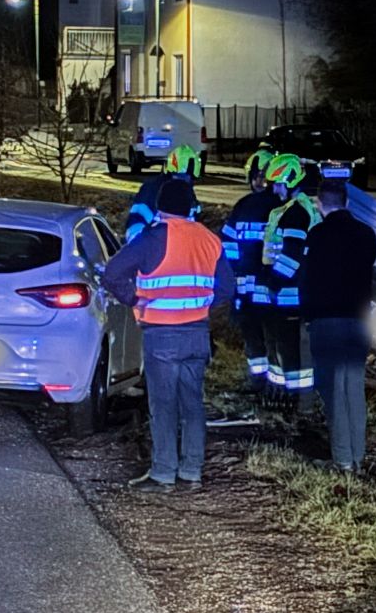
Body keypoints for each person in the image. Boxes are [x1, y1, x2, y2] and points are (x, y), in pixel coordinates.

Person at [103, 177, 234, 490]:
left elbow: (112, 273)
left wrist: (134, 298)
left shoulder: (151, 238)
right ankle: (192, 470)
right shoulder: (209, 239)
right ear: (190, 206)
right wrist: (201, 304)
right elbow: (227, 287)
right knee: (193, 404)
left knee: (163, 405)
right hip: (197, 332)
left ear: (160, 207)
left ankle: (163, 472)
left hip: (162, 333)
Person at [300, 178, 376, 473]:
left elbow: (305, 279)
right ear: (346, 202)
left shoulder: (317, 236)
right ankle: (358, 457)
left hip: (326, 323)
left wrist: (307, 315)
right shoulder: (366, 234)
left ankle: (342, 459)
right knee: (354, 391)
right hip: (358, 323)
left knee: (333, 393)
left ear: (319, 204)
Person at [259, 152, 321, 413]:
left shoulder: (295, 213)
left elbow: (291, 255)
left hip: (289, 295)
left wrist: (272, 283)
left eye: (277, 183)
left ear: (289, 181)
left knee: (291, 351)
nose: (274, 188)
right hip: (293, 293)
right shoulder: (296, 209)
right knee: (289, 350)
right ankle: (291, 400)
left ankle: (300, 403)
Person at [220, 149, 281, 391]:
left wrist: (234, 275)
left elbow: (226, 246)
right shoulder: (284, 206)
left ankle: (259, 381)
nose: (258, 181)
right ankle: (274, 385)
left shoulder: (244, 206)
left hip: (247, 289)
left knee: (254, 336)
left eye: (260, 176)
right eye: (255, 175)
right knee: (275, 337)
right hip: (274, 288)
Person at [123, 143, 202, 243]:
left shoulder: (190, 196)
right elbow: (135, 226)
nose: (184, 182)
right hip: (153, 251)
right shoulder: (151, 192)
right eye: (180, 177)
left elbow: (195, 227)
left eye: (189, 178)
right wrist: (145, 251)